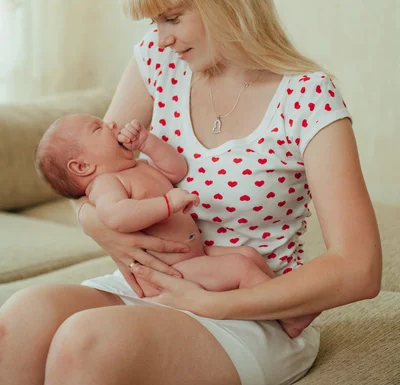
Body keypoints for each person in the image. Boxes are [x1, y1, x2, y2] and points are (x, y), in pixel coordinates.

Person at [0, 0, 381, 385]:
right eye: (152, 22)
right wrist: (102, 225)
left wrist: (216, 304)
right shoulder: (156, 63)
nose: (159, 39)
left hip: (255, 312)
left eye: (172, 18)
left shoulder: (307, 97)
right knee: (19, 317)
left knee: (84, 343)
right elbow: (87, 184)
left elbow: (360, 268)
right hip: (164, 286)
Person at [35, 112, 317, 337]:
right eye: (97, 128)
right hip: (171, 273)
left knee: (248, 255)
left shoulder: (136, 168)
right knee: (239, 267)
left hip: (192, 257)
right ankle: (289, 316)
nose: (110, 122)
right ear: (82, 167)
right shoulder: (106, 184)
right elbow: (116, 216)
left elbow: (176, 169)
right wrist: (168, 204)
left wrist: (147, 143)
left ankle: (275, 298)